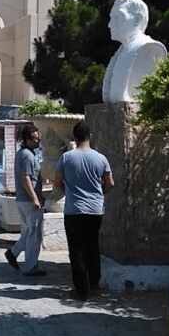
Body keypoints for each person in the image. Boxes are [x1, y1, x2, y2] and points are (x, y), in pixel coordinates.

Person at [53, 121, 114, 299]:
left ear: (74, 137)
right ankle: (95, 282)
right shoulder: (101, 158)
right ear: (90, 136)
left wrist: (67, 192)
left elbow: (57, 182)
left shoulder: (66, 158)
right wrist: (98, 194)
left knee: (76, 250)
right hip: (95, 210)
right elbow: (110, 183)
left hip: (74, 210)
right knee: (92, 245)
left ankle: (81, 289)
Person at [102, 0, 167, 103]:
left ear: (137, 19)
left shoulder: (150, 48)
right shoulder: (122, 50)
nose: (110, 25)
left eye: (118, 17)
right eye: (111, 18)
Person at [4, 124, 46, 276]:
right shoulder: (28, 156)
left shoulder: (22, 153)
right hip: (29, 201)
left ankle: (13, 253)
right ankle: (30, 267)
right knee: (34, 235)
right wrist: (35, 198)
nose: (38, 140)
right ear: (27, 140)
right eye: (35, 138)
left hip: (23, 200)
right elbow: (26, 179)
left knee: (29, 232)